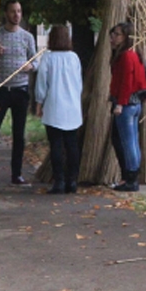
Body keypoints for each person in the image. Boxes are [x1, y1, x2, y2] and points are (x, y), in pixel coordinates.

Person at [0, 0, 37, 186]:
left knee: (18, 134)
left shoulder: (27, 37)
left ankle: (17, 174)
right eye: (13, 11)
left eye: (19, 11)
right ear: (6, 13)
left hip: (20, 90)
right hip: (0, 89)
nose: (16, 15)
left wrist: (31, 66)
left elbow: (36, 61)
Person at [34, 25, 83, 194]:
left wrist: (39, 102)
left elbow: (42, 83)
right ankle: (73, 181)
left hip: (54, 107)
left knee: (56, 145)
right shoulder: (74, 58)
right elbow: (79, 83)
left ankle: (59, 181)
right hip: (72, 107)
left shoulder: (48, 58)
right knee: (72, 146)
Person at [108, 21, 146, 192]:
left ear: (126, 37)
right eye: (113, 34)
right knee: (128, 140)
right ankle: (129, 177)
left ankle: (131, 179)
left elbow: (126, 82)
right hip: (133, 103)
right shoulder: (132, 54)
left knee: (128, 141)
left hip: (127, 104)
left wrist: (120, 104)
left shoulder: (126, 56)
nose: (113, 37)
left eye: (117, 34)